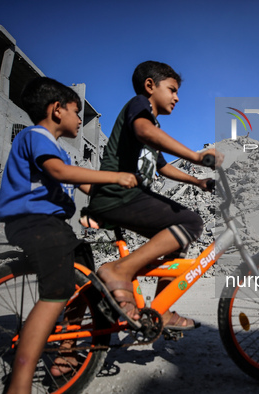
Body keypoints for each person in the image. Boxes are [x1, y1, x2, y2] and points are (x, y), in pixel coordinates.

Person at [0, 76, 138, 394]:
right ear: (57, 110)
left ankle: (67, 350)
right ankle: (18, 385)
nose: (79, 119)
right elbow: (62, 174)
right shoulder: (36, 137)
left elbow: (84, 185)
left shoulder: (60, 150)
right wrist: (114, 175)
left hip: (54, 227)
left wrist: (119, 198)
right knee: (57, 293)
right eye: (77, 112)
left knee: (84, 275)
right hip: (33, 223)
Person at [88, 60, 222, 329]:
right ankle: (120, 270)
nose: (177, 97)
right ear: (150, 86)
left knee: (179, 239)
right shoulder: (140, 106)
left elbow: (161, 167)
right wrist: (196, 156)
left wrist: (197, 182)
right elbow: (142, 130)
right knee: (191, 222)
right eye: (172, 89)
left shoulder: (152, 127)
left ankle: (162, 310)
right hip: (117, 194)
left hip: (125, 197)